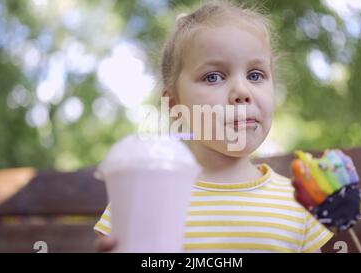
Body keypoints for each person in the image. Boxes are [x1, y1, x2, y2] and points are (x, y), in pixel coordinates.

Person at [94, 0, 333, 253]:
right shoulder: (143, 194)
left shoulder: (298, 203)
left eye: (255, 75)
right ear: (175, 104)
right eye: (213, 77)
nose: (242, 91)